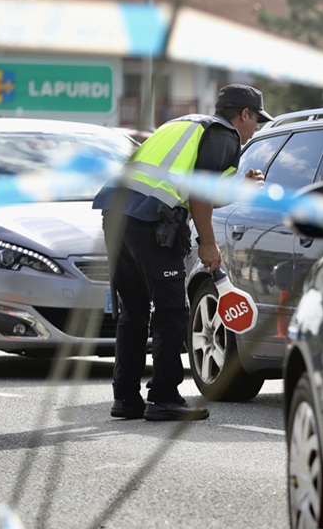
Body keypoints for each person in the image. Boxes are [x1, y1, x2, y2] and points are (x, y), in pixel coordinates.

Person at [93, 83, 271, 421]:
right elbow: (199, 195)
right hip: (150, 223)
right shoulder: (224, 134)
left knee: (133, 310)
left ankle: (126, 398)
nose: (256, 129)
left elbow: (195, 190)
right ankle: (163, 397)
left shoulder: (183, 124)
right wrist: (208, 243)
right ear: (244, 114)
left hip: (117, 215)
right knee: (172, 310)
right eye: (256, 120)